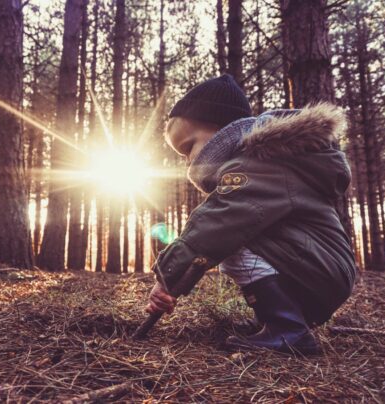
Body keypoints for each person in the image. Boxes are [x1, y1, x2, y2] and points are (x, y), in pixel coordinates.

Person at [145, 74, 357, 355]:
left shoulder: (259, 164)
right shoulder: (266, 163)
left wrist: (167, 278)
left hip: (319, 270)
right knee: (236, 240)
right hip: (319, 270)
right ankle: (280, 320)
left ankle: (288, 330)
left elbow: (214, 226)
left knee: (233, 242)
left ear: (220, 131)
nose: (187, 161)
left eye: (188, 147)